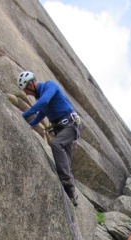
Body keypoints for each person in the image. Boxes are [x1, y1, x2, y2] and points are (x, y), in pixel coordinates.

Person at [17, 71, 81, 206]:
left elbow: (44, 102)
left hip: (70, 124)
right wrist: (30, 124)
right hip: (62, 128)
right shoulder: (41, 96)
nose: (27, 94)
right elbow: (41, 114)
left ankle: (66, 180)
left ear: (30, 84)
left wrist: (24, 115)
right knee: (66, 161)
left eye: (26, 90)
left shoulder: (49, 86)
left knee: (56, 145)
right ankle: (72, 194)